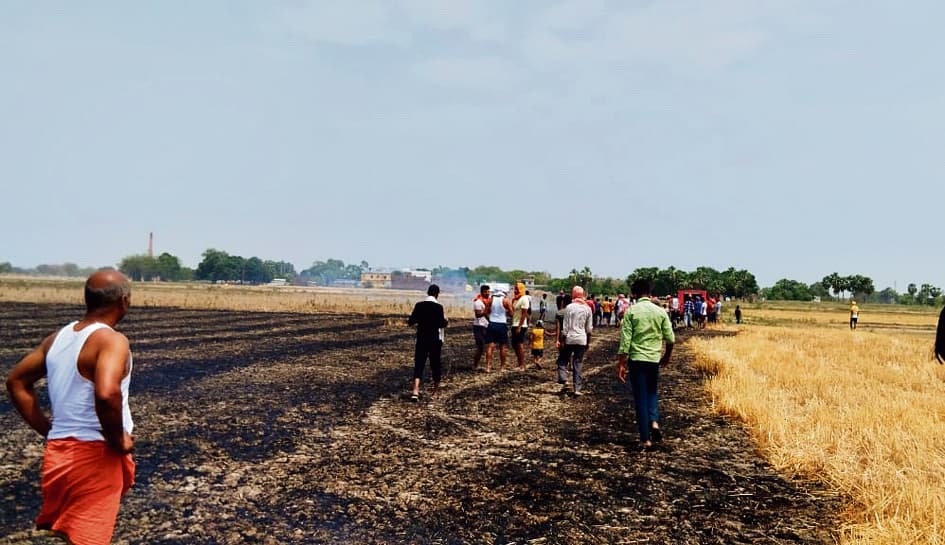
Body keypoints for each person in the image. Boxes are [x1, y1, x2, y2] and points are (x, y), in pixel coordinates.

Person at [6, 270, 136, 545]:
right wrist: (118, 440)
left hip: (59, 455)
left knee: (71, 536)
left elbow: (16, 382)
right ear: (123, 301)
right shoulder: (112, 340)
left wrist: (50, 430)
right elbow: (106, 393)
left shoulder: (59, 337)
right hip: (95, 455)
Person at [616, 278, 675, 452]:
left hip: (637, 360)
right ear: (649, 293)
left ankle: (645, 439)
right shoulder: (660, 312)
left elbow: (625, 341)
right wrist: (667, 356)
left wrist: (621, 364)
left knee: (640, 398)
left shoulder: (631, 312)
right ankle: (654, 421)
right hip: (653, 360)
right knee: (652, 392)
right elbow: (671, 338)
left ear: (634, 294)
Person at [407, 284, 448, 401]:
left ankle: (415, 391)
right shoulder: (438, 307)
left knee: (419, 363)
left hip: (421, 339)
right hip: (434, 340)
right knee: (435, 365)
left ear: (427, 293)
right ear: (437, 294)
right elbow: (441, 324)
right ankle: (435, 392)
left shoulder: (419, 305)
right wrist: (446, 321)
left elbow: (411, 321)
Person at [556, 286, 593, 396]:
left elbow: (565, 327)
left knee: (562, 360)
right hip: (582, 339)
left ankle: (563, 379)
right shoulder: (587, 309)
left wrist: (562, 340)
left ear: (573, 295)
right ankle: (577, 389)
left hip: (570, 338)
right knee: (578, 363)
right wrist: (588, 342)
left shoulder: (569, 307)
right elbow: (589, 329)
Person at [484, 288, 513, 372]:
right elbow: (511, 314)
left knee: (490, 346)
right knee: (502, 347)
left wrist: (489, 320)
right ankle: (502, 367)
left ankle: (488, 367)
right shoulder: (506, 301)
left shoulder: (490, 300)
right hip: (502, 324)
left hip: (492, 323)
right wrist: (506, 312)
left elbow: (485, 312)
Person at [511, 282, 532, 371]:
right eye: (515, 289)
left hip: (521, 325)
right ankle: (519, 363)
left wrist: (519, 326)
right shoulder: (515, 299)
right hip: (514, 324)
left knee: (519, 345)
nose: (515, 291)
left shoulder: (524, 299)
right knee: (514, 345)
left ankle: (522, 365)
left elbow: (524, 314)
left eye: (517, 289)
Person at [472, 285, 491, 370]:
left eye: (488, 292)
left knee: (488, 346)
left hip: (486, 325)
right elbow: (477, 315)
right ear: (481, 292)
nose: (487, 293)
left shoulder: (488, 301)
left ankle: (487, 366)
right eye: (485, 292)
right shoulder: (478, 302)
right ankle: (475, 365)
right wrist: (486, 311)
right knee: (480, 347)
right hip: (479, 326)